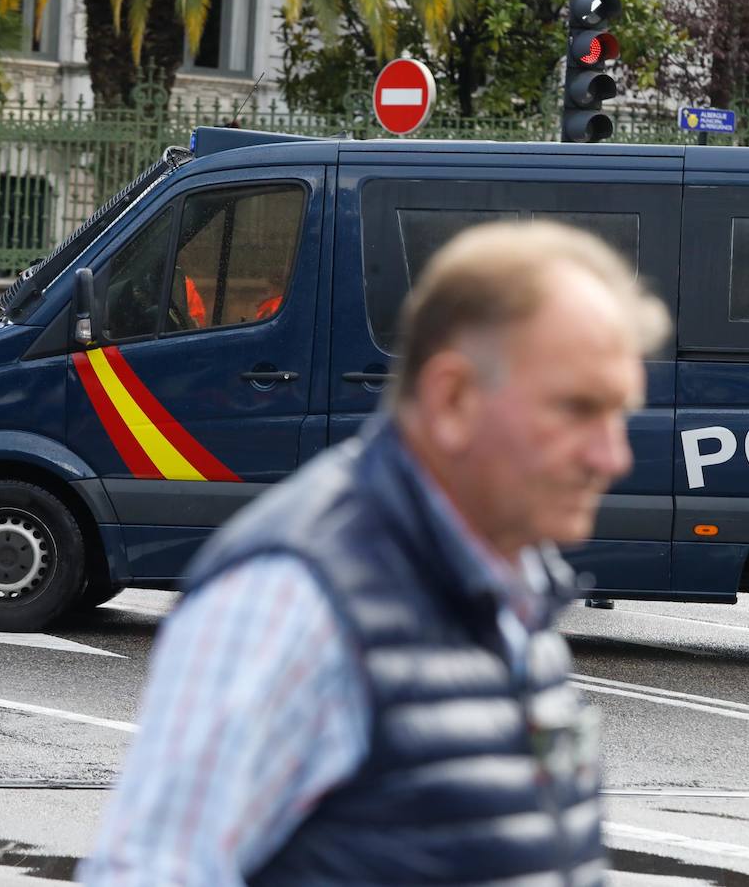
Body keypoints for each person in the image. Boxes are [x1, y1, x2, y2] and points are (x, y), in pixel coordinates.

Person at [80, 220, 670, 886]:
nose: (611, 456)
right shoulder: (293, 597)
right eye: (576, 409)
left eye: (619, 414)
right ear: (452, 398)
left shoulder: (518, 581)